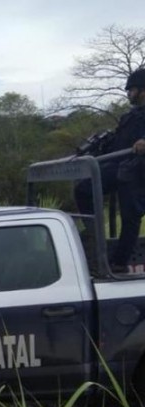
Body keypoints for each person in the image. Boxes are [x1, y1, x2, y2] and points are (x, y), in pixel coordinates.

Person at [75, 68, 145, 272]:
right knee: (84, 189)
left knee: (130, 217)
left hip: (138, 173)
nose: (129, 94)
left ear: (142, 90)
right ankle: (95, 236)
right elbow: (117, 141)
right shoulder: (130, 116)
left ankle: (119, 263)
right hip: (120, 166)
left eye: (131, 90)